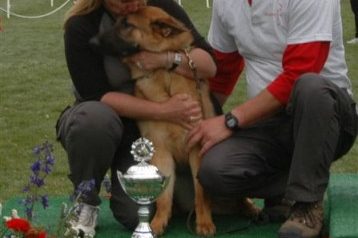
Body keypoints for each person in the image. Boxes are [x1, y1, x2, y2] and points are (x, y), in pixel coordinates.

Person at [187, 0, 358, 238]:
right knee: (213, 172)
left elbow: (301, 69)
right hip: (267, 123)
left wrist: (230, 121)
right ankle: (292, 185)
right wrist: (195, 123)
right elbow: (223, 69)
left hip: (327, 118)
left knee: (310, 87)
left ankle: (306, 205)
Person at [56, 0, 216, 236]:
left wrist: (167, 60)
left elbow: (209, 64)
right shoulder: (80, 26)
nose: (133, 4)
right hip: (102, 121)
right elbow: (97, 95)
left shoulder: (159, 9)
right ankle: (85, 204)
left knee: (136, 214)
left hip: (142, 135)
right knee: (93, 120)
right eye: (123, 1)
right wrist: (165, 110)